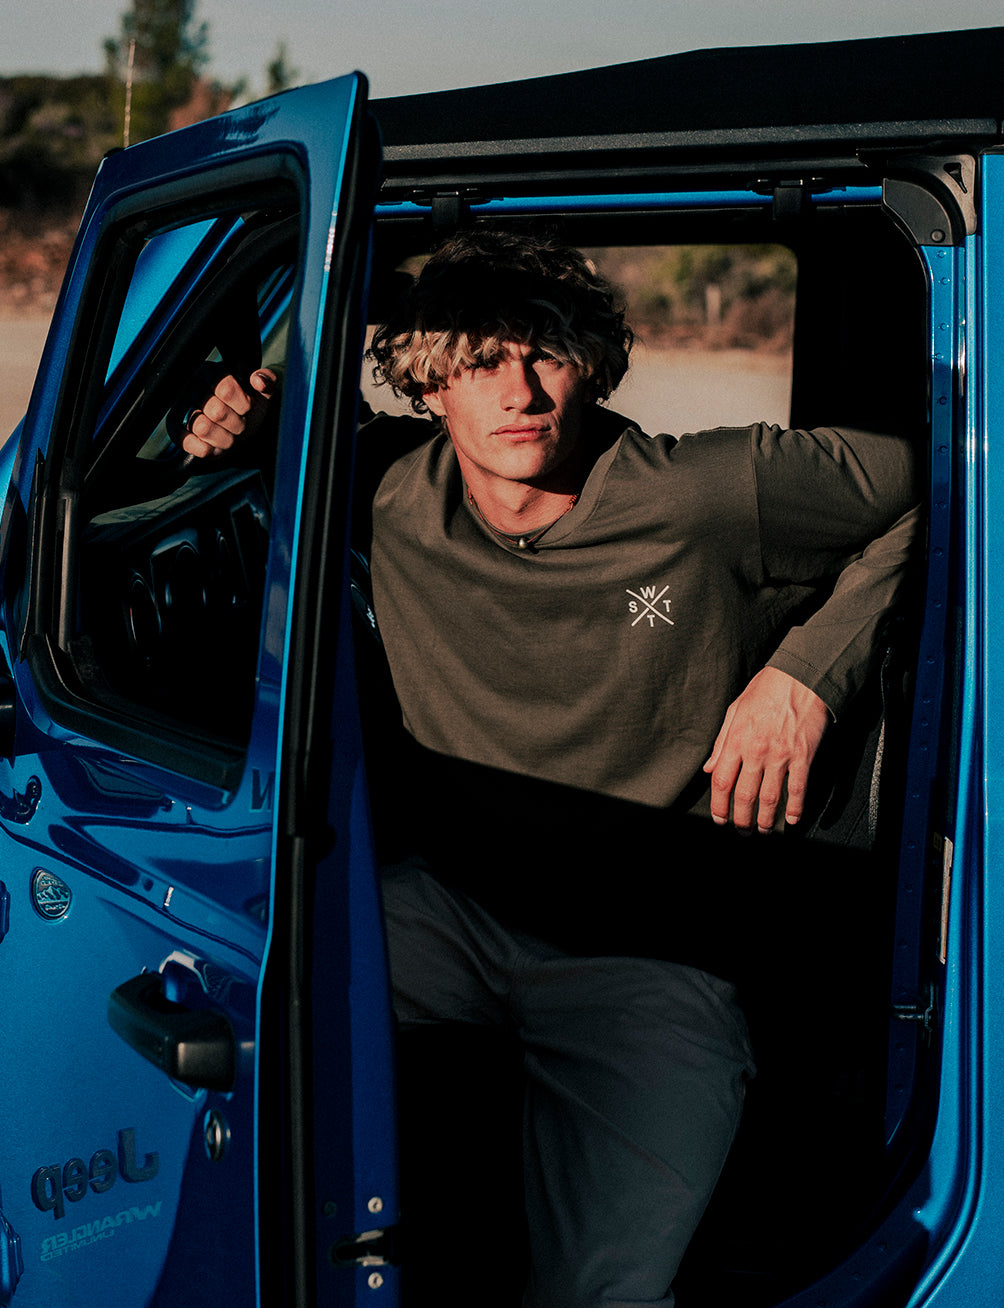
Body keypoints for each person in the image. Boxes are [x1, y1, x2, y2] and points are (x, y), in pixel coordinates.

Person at [182, 228, 918, 1307]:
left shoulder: (705, 491)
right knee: (214, 1023)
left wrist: (805, 673)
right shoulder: (382, 483)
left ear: (594, 365)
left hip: (648, 950)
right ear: (428, 383)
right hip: (448, 910)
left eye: (548, 355)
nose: (521, 392)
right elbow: (249, 431)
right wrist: (237, 417)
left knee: (603, 1292)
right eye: (482, 360)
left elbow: (946, 480)